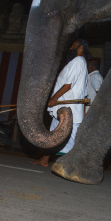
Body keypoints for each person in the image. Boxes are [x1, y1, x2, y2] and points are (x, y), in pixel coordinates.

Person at [30, 39, 89, 167]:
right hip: (62, 107)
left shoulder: (78, 61)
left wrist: (54, 98)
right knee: (54, 135)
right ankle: (44, 159)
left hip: (69, 109)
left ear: (81, 48)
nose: (71, 47)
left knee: (71, 139)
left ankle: (74, 165)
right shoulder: (75, 62)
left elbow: (68, 85)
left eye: (74, 45)